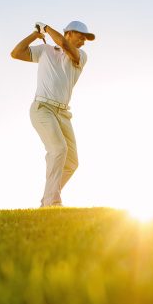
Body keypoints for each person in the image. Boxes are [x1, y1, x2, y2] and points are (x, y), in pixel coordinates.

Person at [10, 21, 96, 207]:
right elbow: (16, 53)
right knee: (58, 150)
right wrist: (36, 35)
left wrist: (46, 28)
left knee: (71, 162)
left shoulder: (81, 55)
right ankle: (52, 202)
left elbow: (64, 46)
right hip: (42, 108)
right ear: (69, 33)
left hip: (63, 114)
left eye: (86, 38)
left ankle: (46, 199)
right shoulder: (45, 51)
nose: (84, 40)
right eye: (81, 35)